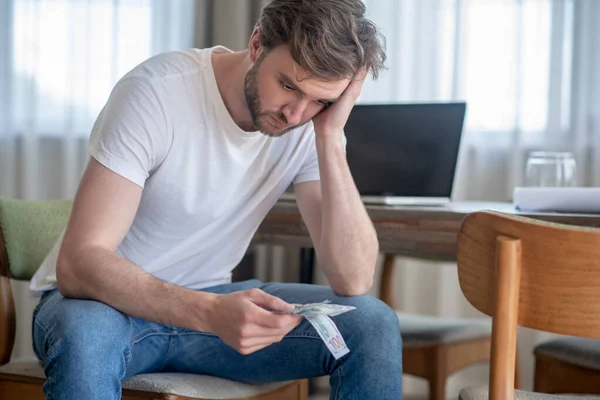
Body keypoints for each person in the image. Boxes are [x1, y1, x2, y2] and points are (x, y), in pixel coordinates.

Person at [29, 0, 402, 399]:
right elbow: (79, 263)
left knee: (372, 324)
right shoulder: (157, 93)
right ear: (257, 44)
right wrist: (208, 312)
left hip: (209, 314)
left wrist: (329, 136)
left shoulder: (311, 125)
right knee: (86, 335)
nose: (296, 114)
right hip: (104, 308)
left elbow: (353, 278)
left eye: (320, 101)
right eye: (289, 85)